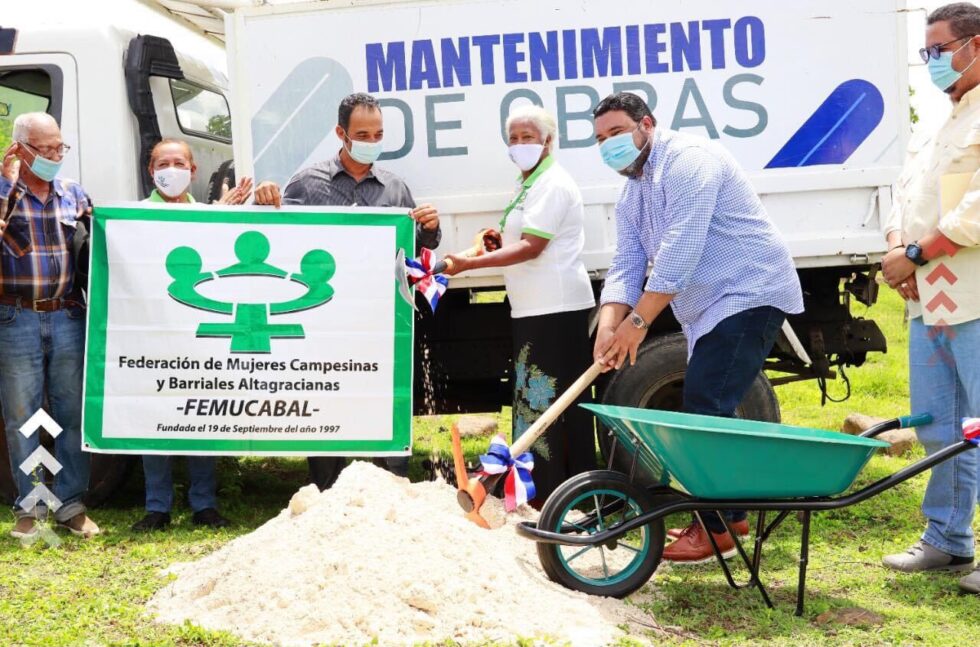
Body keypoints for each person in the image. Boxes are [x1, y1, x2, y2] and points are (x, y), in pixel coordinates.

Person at [592, 92, 804, 564]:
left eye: (617, 133)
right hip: (708, 305)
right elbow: (627, 262)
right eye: (601, 139)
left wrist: (639, 322)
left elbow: (679, 252)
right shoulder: (634, 191)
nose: (608, 145)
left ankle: (716, 532)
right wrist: (609, 324)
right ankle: (732, 514)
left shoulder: (690, 162)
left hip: (749, 289)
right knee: (714, 408)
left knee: (704, 407)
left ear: (646, 124)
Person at [254, 92, 441, 485]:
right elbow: (276, 238)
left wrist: (429, 227)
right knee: (323, 394)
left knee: (385, 395)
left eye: (378, 134)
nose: (371, 141)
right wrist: (263, 199)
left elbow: (419, 252)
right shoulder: (306, 184)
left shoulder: (395, 188)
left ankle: (391, 485)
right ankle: (326, 489)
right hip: (322, 317)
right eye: (362, 133)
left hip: (380, 319)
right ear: (341, 133)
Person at [442, 105, 596, 504]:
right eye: (513, 138)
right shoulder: (528, 182)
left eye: (528, 137)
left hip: (555, 308)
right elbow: (522, 238)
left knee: (551, 403)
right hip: (532, 307)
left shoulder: (553, 184)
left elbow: (533, 247)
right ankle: (543, 490)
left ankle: (560, 494)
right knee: (536, 401)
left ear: (548, 141)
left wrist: (470, 263)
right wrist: (497, 241)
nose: (520, 144)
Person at [880, 3, 980, 594]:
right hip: (932, 293)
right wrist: (898, 251)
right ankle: (947, 538)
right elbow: (905, 195)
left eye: (939, 49)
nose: (932, 61)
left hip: (975, 290)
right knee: (943, 425)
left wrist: (916, 254)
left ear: (975, 45)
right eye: (927, 51)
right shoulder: (939, 120)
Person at [132, 138, 252, 532]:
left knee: (202, 415)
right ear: (151, 171)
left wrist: (225, 217)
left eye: (179, 162)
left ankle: (204, 504)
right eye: (163, 162)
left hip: (199, 334)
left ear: (193, 170)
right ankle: (157, 508)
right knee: (156, 418)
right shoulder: (131, 218)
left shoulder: (207, 215)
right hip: (153, 333)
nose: (171, 169)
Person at [0, 112, 100, 539]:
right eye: (46, 149)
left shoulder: (72, 193)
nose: (56, 156)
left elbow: (114, 234)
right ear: (19, 150)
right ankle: (31, 505)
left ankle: (70, 503)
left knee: (68, 413)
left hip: (67, 315)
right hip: (15, 315)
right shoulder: (5, 194)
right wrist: (7, 182)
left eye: (61, 147)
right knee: (23, 417)